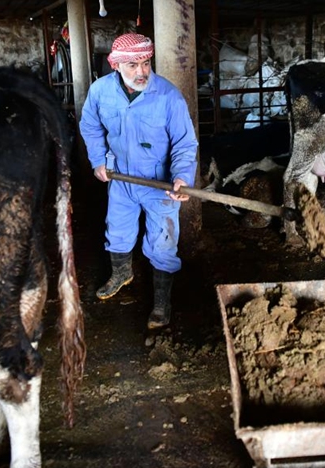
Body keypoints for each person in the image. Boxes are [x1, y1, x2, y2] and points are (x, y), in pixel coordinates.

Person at [79, 33, 198, 330]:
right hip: (120, 177)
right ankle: (122, 274)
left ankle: (162, 301)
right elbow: (90, 126)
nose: (142, 72)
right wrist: (98, 161)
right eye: (133, 65)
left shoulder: (168, 96)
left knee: (162, 242)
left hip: (160, 182)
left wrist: (182, 177)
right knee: (117, 231)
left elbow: (184, 144)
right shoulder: (100, 92)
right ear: (117, 65)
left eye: (146, 63)